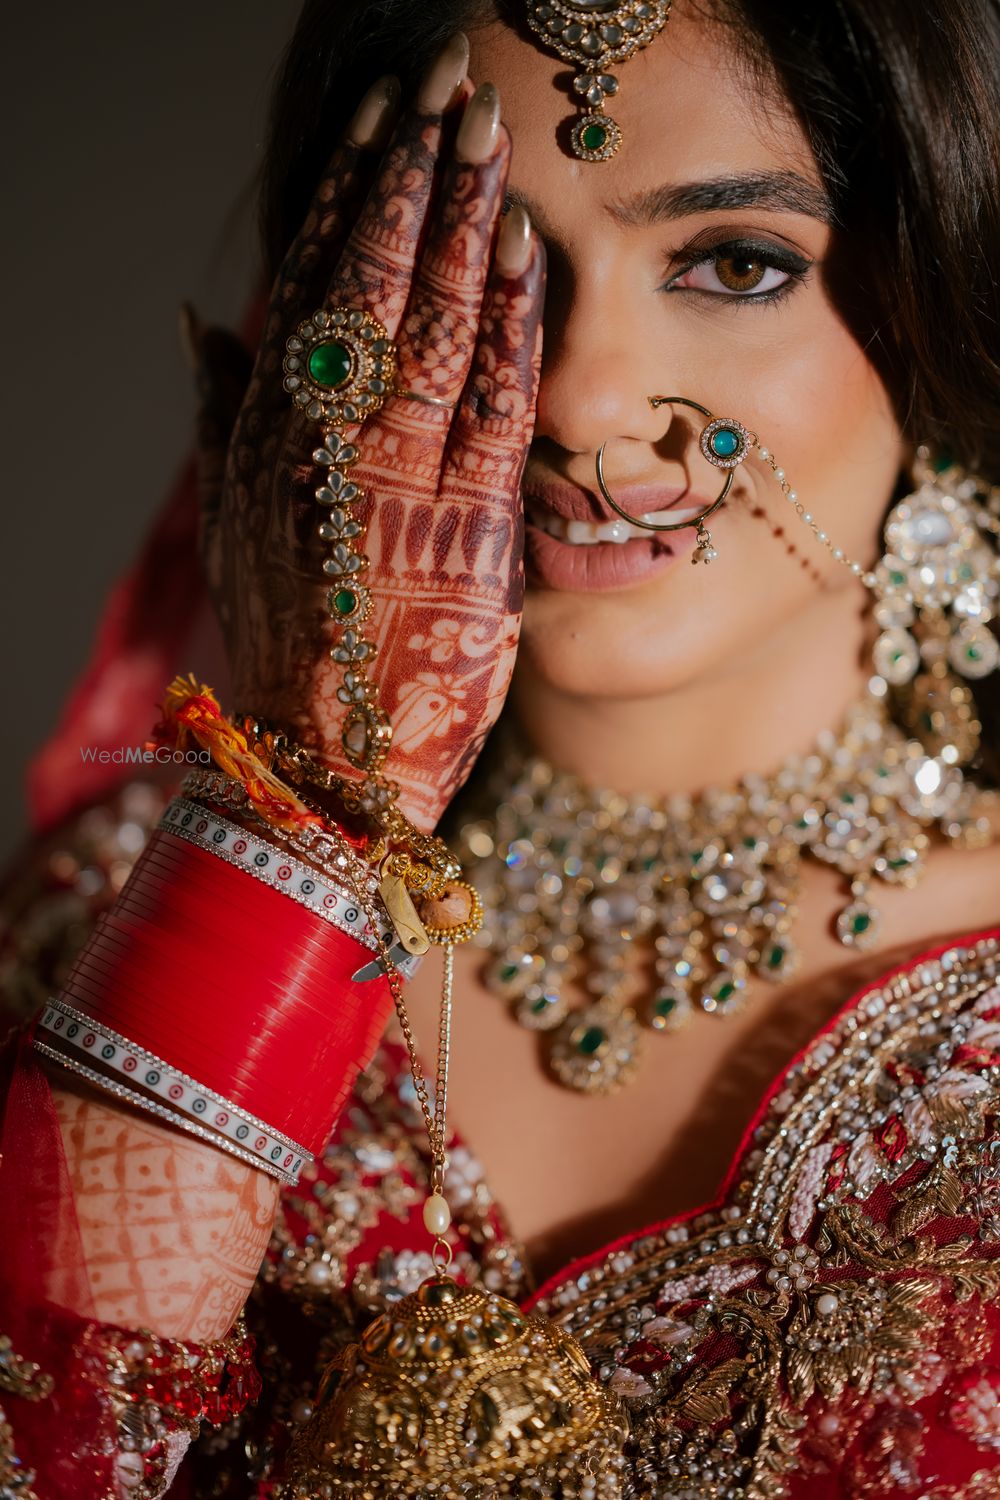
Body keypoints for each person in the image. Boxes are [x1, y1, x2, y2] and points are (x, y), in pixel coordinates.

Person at [2, 1, 1000, 1495]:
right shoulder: (105, 928)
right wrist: (303, 823)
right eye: (486, 266)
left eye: (735, 263)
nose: (583, 399)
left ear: (937, 302)